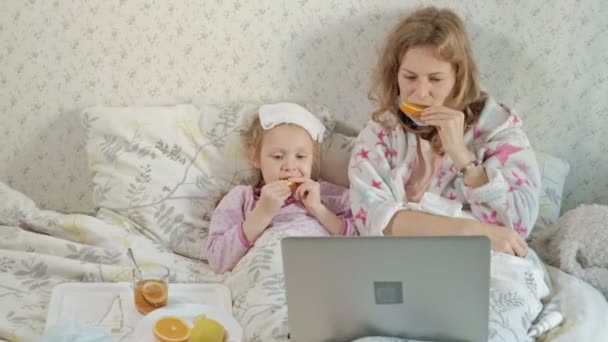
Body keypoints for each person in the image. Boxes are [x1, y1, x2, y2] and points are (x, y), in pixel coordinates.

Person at [348, 7, 552, 340]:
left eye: (436, 79)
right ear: (395, 74)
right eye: (409, 77)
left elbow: (516, 229)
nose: (421, 92)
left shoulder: (499, 130)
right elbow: (371, 214)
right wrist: (472, 231)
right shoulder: (380, 132)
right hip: (402, 258)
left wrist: (461, 154)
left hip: (488, 264)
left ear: (459, 77)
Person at [207, 102, 357, 274]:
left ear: (312, 160)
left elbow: (362, 246)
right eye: (278, 157)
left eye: (301, 156)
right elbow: (217, 261)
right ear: (256, 158)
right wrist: (261, 214)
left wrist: (319, 210)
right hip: (265, 278)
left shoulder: (328, 195)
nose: (290, 166)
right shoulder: (241, 198)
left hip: (318, 274)